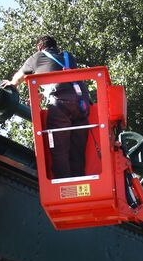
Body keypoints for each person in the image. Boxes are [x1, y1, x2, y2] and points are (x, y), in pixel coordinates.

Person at [7, 35, 89, 178]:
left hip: (60, 106)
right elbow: (65, 81)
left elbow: (19, 76)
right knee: (77, 151)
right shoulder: (68, 57)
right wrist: (45, 94)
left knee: (59, 149)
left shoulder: (37, 57)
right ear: (55, 46)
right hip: (82, 106)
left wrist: (12, 84)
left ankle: (64, 187)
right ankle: (80, 183)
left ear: (39, 47)